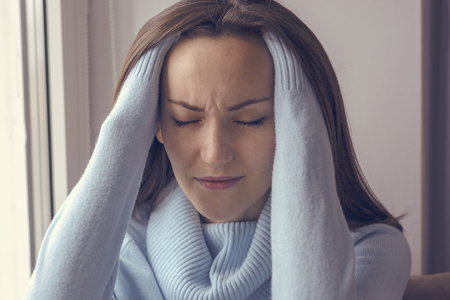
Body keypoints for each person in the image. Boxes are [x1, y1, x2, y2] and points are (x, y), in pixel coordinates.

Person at [24, 0, 411, 299]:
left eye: (250, 120)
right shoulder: (123, 245)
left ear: (299, 129)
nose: (214, 153)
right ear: (153, 124)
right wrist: (124, 128)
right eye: (185, 120)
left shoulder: (371, 249)